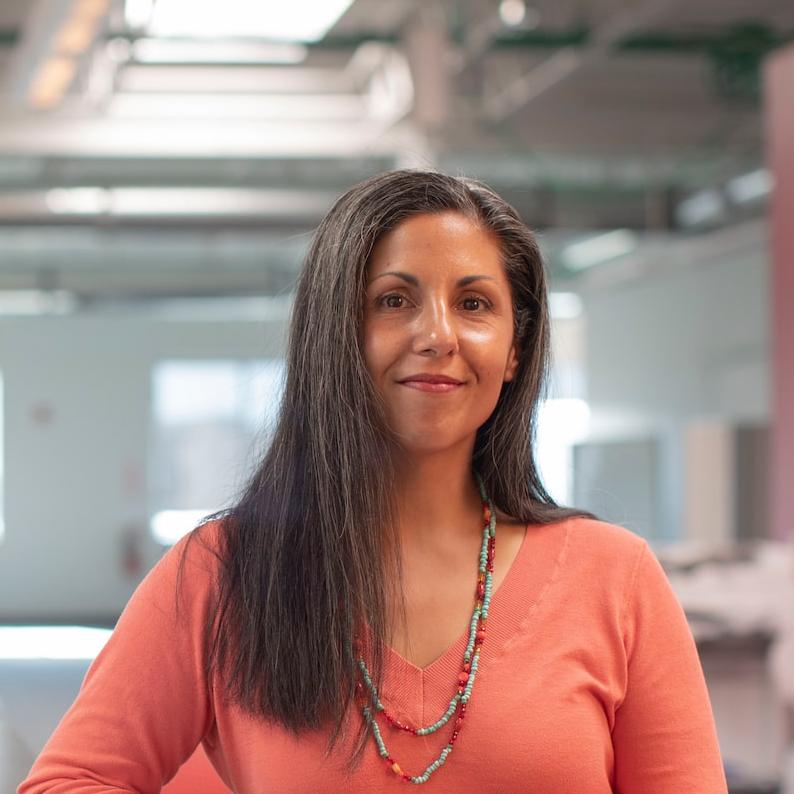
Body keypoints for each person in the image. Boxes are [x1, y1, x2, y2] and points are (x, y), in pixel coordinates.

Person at [19, 170, 728, 792]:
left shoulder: (617, 579)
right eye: (394, 300)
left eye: (475, 304)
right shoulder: (222, 575)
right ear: (337, 336)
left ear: (515, 350)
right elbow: (71, 781)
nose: (438, 334)